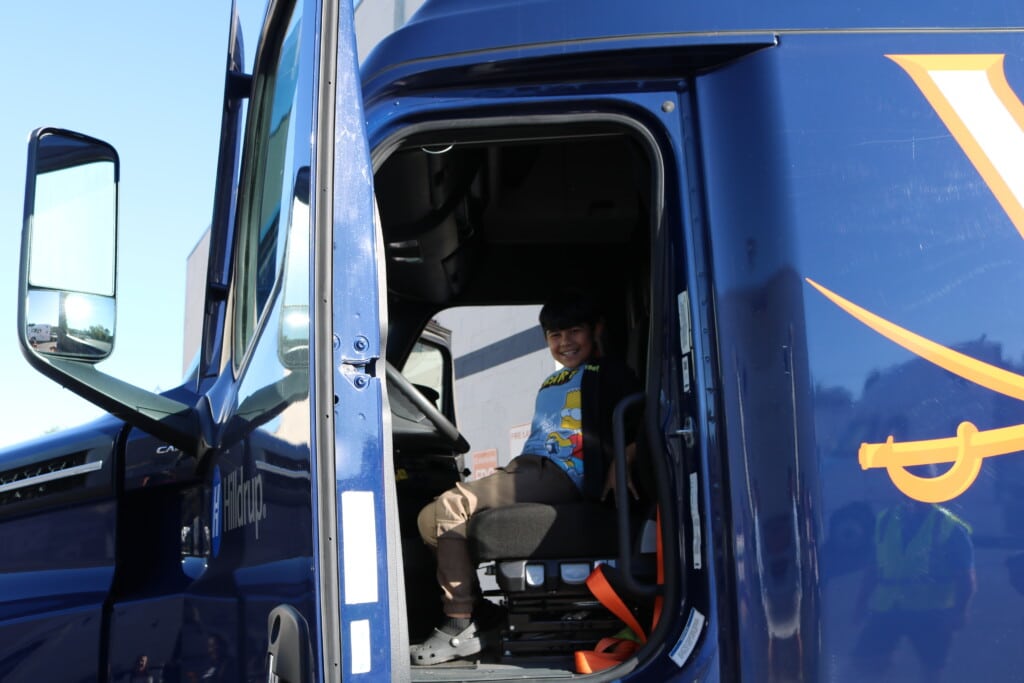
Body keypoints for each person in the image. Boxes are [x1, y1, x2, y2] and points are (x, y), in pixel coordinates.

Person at [410, 289, 642, 665]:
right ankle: (482, 612)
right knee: (429, 518)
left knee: (453, 504)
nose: (564, 342)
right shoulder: (555, 380)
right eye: (555, 335)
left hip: (566, 472)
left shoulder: (608, 372)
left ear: (595, 330)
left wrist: (623, 460)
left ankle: (460, 623)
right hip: (529, 466)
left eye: (574, 332)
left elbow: (641, 420)